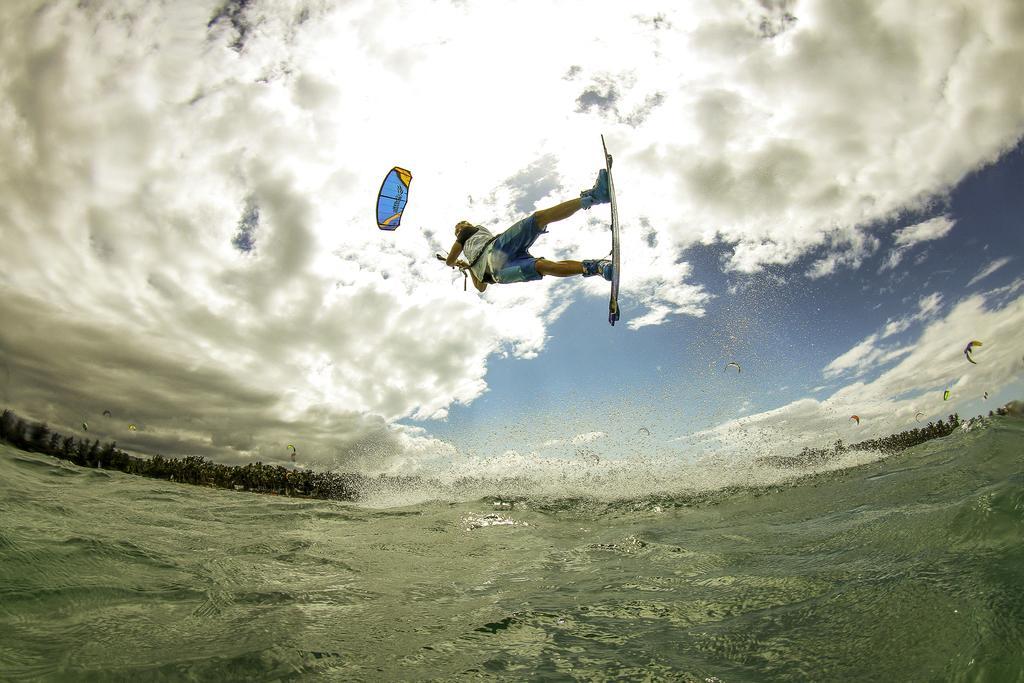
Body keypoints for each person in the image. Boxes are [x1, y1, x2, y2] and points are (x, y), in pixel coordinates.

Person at [444, 169, 613, 293]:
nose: (459, 227)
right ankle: (596, 268)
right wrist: (468, 267)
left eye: (461, 224)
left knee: (538, 219)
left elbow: (449, 261)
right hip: (495, 273)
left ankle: (595, 196)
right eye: (457, 228)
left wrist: (454, 262)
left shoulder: (468, 232)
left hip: (496, 250)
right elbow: (480, 286)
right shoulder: (470, 257)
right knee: (542, 266)